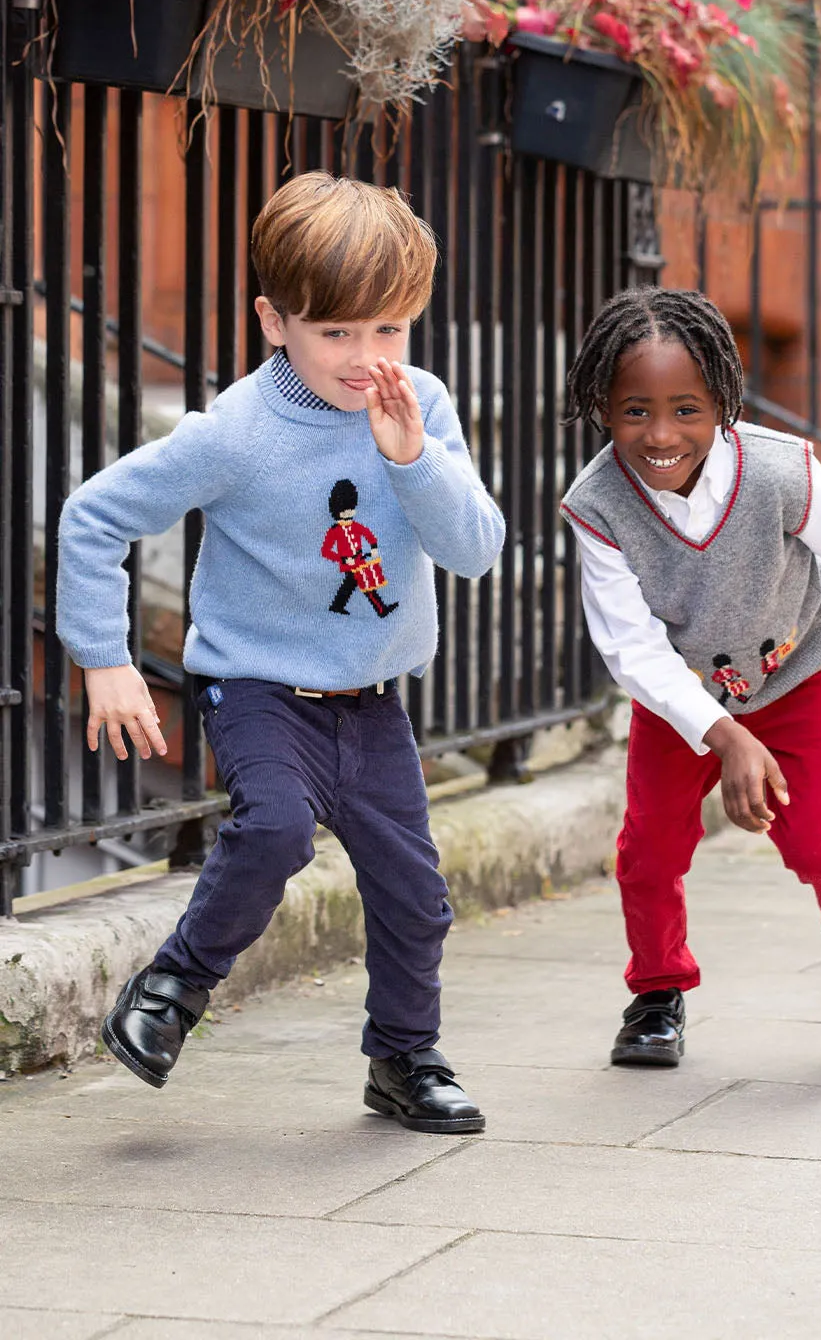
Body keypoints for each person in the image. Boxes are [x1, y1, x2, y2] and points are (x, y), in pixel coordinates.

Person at [56, 172, 505, 1134]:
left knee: (417, 898)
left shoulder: (421, 404)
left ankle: (404, 1059)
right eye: (336, 332)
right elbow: (93, 517)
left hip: (373, 699)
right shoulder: (237, 432)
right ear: (274, 320)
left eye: (387, 330)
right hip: (257, 685)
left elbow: (476, 551)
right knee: (274, 831)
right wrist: (105, 656)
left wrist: (408, 457)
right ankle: (172, 989)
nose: (365, 356)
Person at [559, 287, 821, 1068]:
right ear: (600, 405)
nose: (660, 434)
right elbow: (631, 649)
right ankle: (656, 994)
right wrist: (722, 736)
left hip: (799, 681)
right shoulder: (599, 505)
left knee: (815, 838)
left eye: (686, 410)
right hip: (683, 703)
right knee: (649, 849)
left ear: (722, 400)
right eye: (634, 411)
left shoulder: (777, 471)